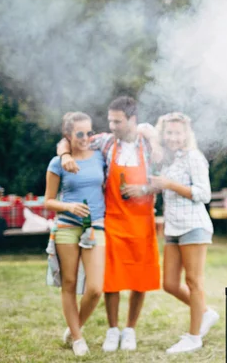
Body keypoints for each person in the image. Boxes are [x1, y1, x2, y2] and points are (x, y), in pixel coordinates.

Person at [58, 96, 161, 352]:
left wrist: (144, 188)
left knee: (139, 278)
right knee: (111, 279)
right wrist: (63, 155)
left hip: (142, 221)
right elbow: (67, 139)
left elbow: (164, 179)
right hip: (112, 219)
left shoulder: (148, 144)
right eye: (110, 120)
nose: (112, 125)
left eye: (117, 121)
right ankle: (112, 329)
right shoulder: (104, 142)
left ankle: (130, 330)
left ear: (132, 120)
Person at [148, 112, 219, 354]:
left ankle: (194, 337)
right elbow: (143, 129)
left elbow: (204, 194)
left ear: (186, 134)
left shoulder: (194, 157)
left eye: (178, 132)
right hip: (173, 227)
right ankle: (206, 313)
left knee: (193, 282)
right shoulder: (166, 159)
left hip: (194, 226)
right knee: (168, 283)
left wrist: (169, 184)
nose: (173, 137)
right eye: (169, 132)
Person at [44, 112, 106, 356]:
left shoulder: (100, 156)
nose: (85, 138)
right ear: (67, 136)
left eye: (89, 132)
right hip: (67, 227)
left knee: (95, 288)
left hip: (95, 226)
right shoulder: (57, 163)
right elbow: (48, 201)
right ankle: (78, 339)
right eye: (79, 134)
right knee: (69, 284)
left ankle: (74, 327)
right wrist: (68, 206)